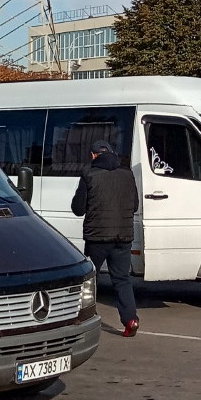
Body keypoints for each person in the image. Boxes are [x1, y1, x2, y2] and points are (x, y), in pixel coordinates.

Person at [71, 140, 141, 337]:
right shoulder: (128, 175)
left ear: (94, 155)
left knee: (89, 278)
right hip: (123, 236)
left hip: (97, 237)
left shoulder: (88, 174)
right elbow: (134, 205)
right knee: (122, 279)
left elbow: (78, 209)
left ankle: (81, 316)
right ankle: (130, 320)